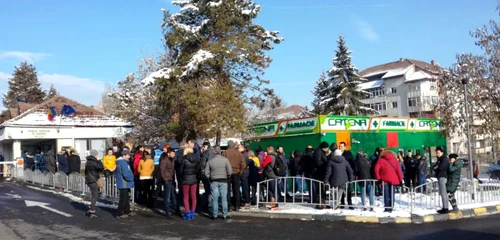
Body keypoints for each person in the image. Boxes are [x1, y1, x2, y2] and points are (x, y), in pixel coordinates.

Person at [205, 146, 232, 220]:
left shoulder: (210, 161)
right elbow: (230, 171)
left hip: (214, 180)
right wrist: (227, 176)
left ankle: (214, 214)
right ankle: (225, 214)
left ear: (214, 152)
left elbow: (206, 172)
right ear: (220, 151)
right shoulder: (225, 160)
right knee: (224, 198)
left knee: (215, 198)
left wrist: (210, 178)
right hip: (223, 180)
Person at [223, 140, 245, 212]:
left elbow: (223, 163)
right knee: (236, 190)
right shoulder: (238, 153)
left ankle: (229, 206)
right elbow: (243, 164)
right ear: (233, 145)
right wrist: (240, 172)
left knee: (227, 190)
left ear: (228, 145)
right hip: (236, 173)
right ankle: (237, 206)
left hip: (227, 173)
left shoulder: (225, 152)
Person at [180, 146, 200, 220]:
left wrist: (182, 176)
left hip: (185, 179)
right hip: (194, 179)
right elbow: (198, 169)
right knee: (194, 197)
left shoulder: (184, 159)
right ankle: (192, 213)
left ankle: (187, 213)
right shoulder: (196, 159)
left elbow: (181, 170)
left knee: (186, 197)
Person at [115, 150, 135, 219]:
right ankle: (119, 213)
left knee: (126, 198)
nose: (129, 156)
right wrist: (131, 178)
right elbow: (126, 174)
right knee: (123, 199)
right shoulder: (122, 163)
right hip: (124, 183)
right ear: (124, 155)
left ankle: (127, 211)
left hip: (124, 183)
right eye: (128, 155)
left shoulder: (122, 162)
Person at [85, 149, 104, 216]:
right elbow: (101, 168)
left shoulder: (89, 161)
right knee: (95, 194)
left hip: (90, 179)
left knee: (95, 193)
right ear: (95, 155)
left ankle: (91, 207)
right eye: (97, 154)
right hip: (92, 180)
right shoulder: (93, 162)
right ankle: (92, 210)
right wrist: (99, 161)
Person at [160, 149, 177, 219]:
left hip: (171, 180)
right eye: (172, 154)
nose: (174, 155)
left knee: (173, 195)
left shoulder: (172, 160)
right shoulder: (164, 161)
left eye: (174, 154)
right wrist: (165, 180)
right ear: (168, 154)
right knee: (167, 196)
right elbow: (162, 171)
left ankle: (175, 209)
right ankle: (168, 211)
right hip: (167, 180)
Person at [312, 142, 329, 208]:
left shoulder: (321, 152)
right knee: (319, 188)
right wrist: (325, 163)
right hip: (318, 173)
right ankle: (319, 201)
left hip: (320, 172)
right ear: (323, 148)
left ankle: (321, 201)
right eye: (326, 147)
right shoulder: (318, 152)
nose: (327, 149)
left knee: (321, 188)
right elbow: (318, 162)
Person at [433, 147, 450, 214]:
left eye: (439, 153)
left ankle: (445, 208)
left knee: (443, 193)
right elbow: (434, 167)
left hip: (442, 176)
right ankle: (445, 207)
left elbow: (441, 168)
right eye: (437, 153)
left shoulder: (444, 159)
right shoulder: (440, 159)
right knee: (443, 193)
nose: (437, 154)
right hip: (440, 176)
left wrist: (437, 167)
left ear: (442, 153)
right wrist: (436, 167)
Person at [339, 142, 355, 209]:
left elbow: (352, 163)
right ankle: (342, 203)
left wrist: (351, 173)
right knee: (341, 189)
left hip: (347, 175)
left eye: (341, 146)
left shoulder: (348, 154)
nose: (340, 147)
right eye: (339, 146)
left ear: (345, 147)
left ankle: (349, 202)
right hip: (340, 174)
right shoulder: (337, 154)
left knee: (348, 189)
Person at [199, 141, 214, 211]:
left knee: (208, 190)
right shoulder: (212, 152)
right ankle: (210, 204)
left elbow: (202, 164)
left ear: (206, 146)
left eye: (203, 146)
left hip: (206, 173)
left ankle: (208, 205)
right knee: (210, 190)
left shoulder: (206, 153)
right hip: (212, 173)